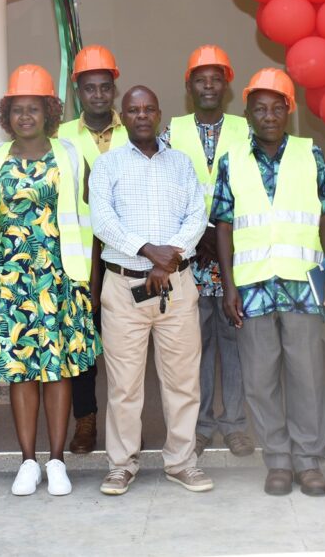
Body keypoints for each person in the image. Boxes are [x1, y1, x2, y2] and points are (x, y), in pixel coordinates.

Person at [212, 68, 325, 497]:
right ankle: (278, 461)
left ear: (289, 109)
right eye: (259, 108)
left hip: (303, 282)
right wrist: (228, 287)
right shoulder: (231, 160)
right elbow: (224, 228)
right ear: (247, 111)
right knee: (260, 378)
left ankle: (308, 461)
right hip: (252, 286)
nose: (268, 115)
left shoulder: (311, 154)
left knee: (306, 375)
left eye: (276, 107)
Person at [0, 64, 100, 496]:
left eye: (34, 108)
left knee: (59, 370)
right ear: (6, 115)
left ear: (50, 111)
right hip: (9, 278)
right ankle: (28, 461)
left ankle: (58, 461)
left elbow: (88, 220)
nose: (24, 116)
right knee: (20, 371)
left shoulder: (68, 154)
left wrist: (89, 282)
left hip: (60, 276)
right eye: (16, 109)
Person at [90, 85, 213, 496]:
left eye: (148, 109)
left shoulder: (181, 164)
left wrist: (170, 257)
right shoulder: (107, 166)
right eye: (132, 110)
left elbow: (198, 215)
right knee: (124, 385)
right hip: (124, 287)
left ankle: (182, 462)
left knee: (182, 381)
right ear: (121, 117)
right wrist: (148, 251)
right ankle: (121, 465)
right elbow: (102, 221)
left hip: (176, 287)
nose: (141, 116)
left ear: (159, 114)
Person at [160, 45, 253, 458]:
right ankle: (199, 426)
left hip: (233, 257)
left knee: (234, 341)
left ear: (227, 85)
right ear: (189, 85)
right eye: (201, 78)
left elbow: (253, 189)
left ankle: (234, 424)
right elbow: (161, 191)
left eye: (216, 78)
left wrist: (223, 237)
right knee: (194, 344)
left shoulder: (247, 129)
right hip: (190, 256)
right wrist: (198, 237)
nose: (209, 85)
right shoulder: (171, 132)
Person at [56, 45, 127, 454]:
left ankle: (124, 423)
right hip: (78, 255)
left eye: (104, 87)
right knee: (82, 344)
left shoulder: (133, 129)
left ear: (114, 89)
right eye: (89, 88)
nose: (98, 95)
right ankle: (86, 422)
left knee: (123, 347)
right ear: (77, 92)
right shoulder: (62, 136)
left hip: (126, 253)